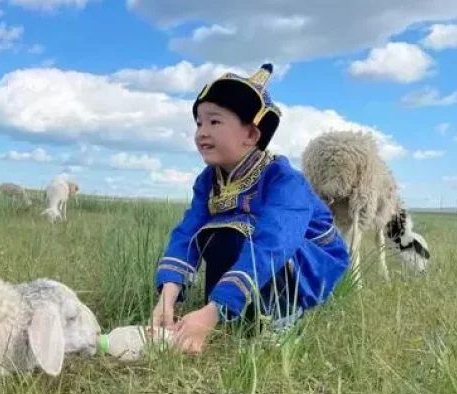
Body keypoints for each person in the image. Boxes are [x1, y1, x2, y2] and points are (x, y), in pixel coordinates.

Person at [150, 63, 350, 354]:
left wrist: (211, 313)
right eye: (198, 123)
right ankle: (231, 310)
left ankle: (281, 319)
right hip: (260, 252)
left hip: (308, 263)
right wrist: (167, 295)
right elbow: (187, 233)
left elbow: (274, 243)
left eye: (214, 122)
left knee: (249, 231)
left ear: (252, 135)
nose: (202, 133)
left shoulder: (285, 179)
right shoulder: (208, 181)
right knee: (217, 230)